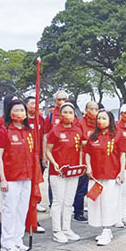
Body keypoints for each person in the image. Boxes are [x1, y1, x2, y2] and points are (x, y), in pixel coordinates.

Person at [0, 98, 35, 251]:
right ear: (9, 113)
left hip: (26, 176)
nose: (19, 113)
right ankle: (7, 242)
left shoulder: (28, 131)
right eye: (16, 110)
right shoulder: (3, 131)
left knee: (22, 210)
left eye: (22, 110)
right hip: (10, 177)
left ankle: (18, 239)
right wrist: (2, 178)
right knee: (9, 210)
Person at [85, 110, 125, 246]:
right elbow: (88, 153)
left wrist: (122, 172)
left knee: (108, 202)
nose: (100, 120)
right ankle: (103, 228)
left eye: (104, 118)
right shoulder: (93, 136)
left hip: (111, 174)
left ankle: (107, 229)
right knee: (96, 203)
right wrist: (88, 167)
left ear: (110, 120)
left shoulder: (117, 135)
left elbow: (122, 154)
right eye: (99, 118)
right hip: (95, 176)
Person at [46, 102, 83, 243]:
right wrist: (55, 164)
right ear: (60, 115)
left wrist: (80, 165)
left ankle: (67, 228)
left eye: (71, 113)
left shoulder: (77, 131)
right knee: (58, 201)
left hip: (73, 172)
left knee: (69, 202)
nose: (68, 115)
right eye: (65, 112)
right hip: (58, 173)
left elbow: (79, 149)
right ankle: (57, 230)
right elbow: (48, 150)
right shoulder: (55, 131)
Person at [72, 101, 99, 223]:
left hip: (97, 160)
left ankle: (94, 211)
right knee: (81, 188)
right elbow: (78, 141)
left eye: (96, 109)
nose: (94, 112)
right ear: (86, 110)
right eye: (91, 109)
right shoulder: (80, 124)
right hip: (83, 160)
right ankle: (78, 212)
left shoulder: (99, 123)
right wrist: (92, 143)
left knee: (94, 186)